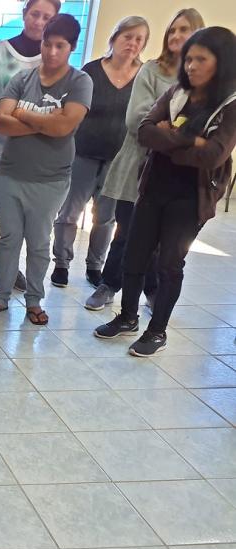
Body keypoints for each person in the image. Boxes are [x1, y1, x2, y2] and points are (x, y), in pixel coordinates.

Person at [95, 26, 236, 357]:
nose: (191, 66)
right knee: (135, 254)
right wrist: (191, 140)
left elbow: (214, 155)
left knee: (170, 263)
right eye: (189, 59)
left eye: (201, 59)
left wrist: (171, 138)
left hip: (191, 197)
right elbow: (145, 131)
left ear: (223, 62)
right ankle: (127, 317)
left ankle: (157, 331)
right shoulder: (176, 93)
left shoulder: (230, 104)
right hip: (154, 187)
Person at [0, 14, 93, 325]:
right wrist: (48, 121)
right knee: (8, 240)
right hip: (9, 175)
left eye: (60, 46)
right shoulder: (22, 79)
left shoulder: (80, 82)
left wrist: (24, 114)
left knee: (39, 243)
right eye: (47, 44)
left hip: (49, 180)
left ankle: (34, 301)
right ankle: (0, 297)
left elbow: (65, 127)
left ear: (71, 47)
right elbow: (1, 123)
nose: (51, 52)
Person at [86, 9, 205, 311]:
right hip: (136, 166)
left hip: (176, 171)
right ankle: (108, 284)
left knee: (161, 240)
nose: (176, 35)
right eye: (173, 30)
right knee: (127, 232)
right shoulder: (151, 70)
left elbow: (203, 125)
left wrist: (165, 125)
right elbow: (137, 121)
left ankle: (151, 289)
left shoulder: (203, 78)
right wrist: (180, 130)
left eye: (184, 30)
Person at [0, 0, 60, 296]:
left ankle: (9, 270)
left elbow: (56, 108)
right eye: (35, 14)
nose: (39, 21)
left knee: (17, 219)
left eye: (47, 17)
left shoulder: (52, 62)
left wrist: (23, 128)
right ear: (24, 14)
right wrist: (8, 124)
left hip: (29, 155)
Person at [50, 16, 150, 288]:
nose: (132, 43)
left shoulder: (144, 76)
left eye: (139, 39)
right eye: (127, 36)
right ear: (114, 38)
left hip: (120, 160)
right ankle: (61, 263)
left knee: (105, 218)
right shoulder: (91, 71)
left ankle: (95, 266)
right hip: (83, 153)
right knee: (69, 213)